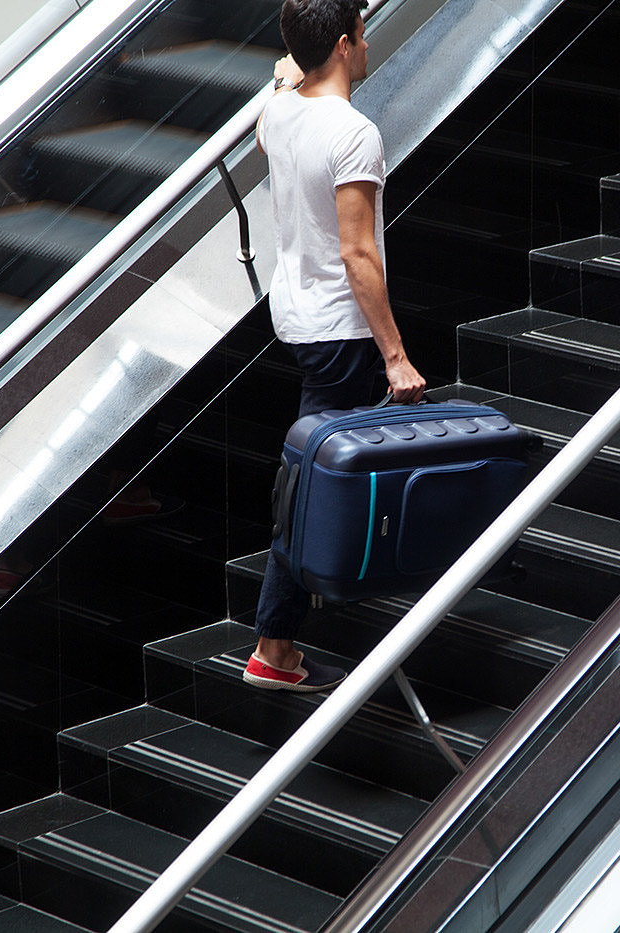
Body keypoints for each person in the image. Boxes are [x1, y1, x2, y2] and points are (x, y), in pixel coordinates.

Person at [244, 0, 425, 692]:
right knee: (310, 488)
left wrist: (287, 76)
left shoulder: (281, 112)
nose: (368, 42)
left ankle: (293, 627)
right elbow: (358, 254)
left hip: (295, 319)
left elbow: (268, 125)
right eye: (361, 33)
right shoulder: (354, 133)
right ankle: (275, 646)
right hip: (341, 332)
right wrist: (396, 354)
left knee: (313, 475)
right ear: (348, 44)